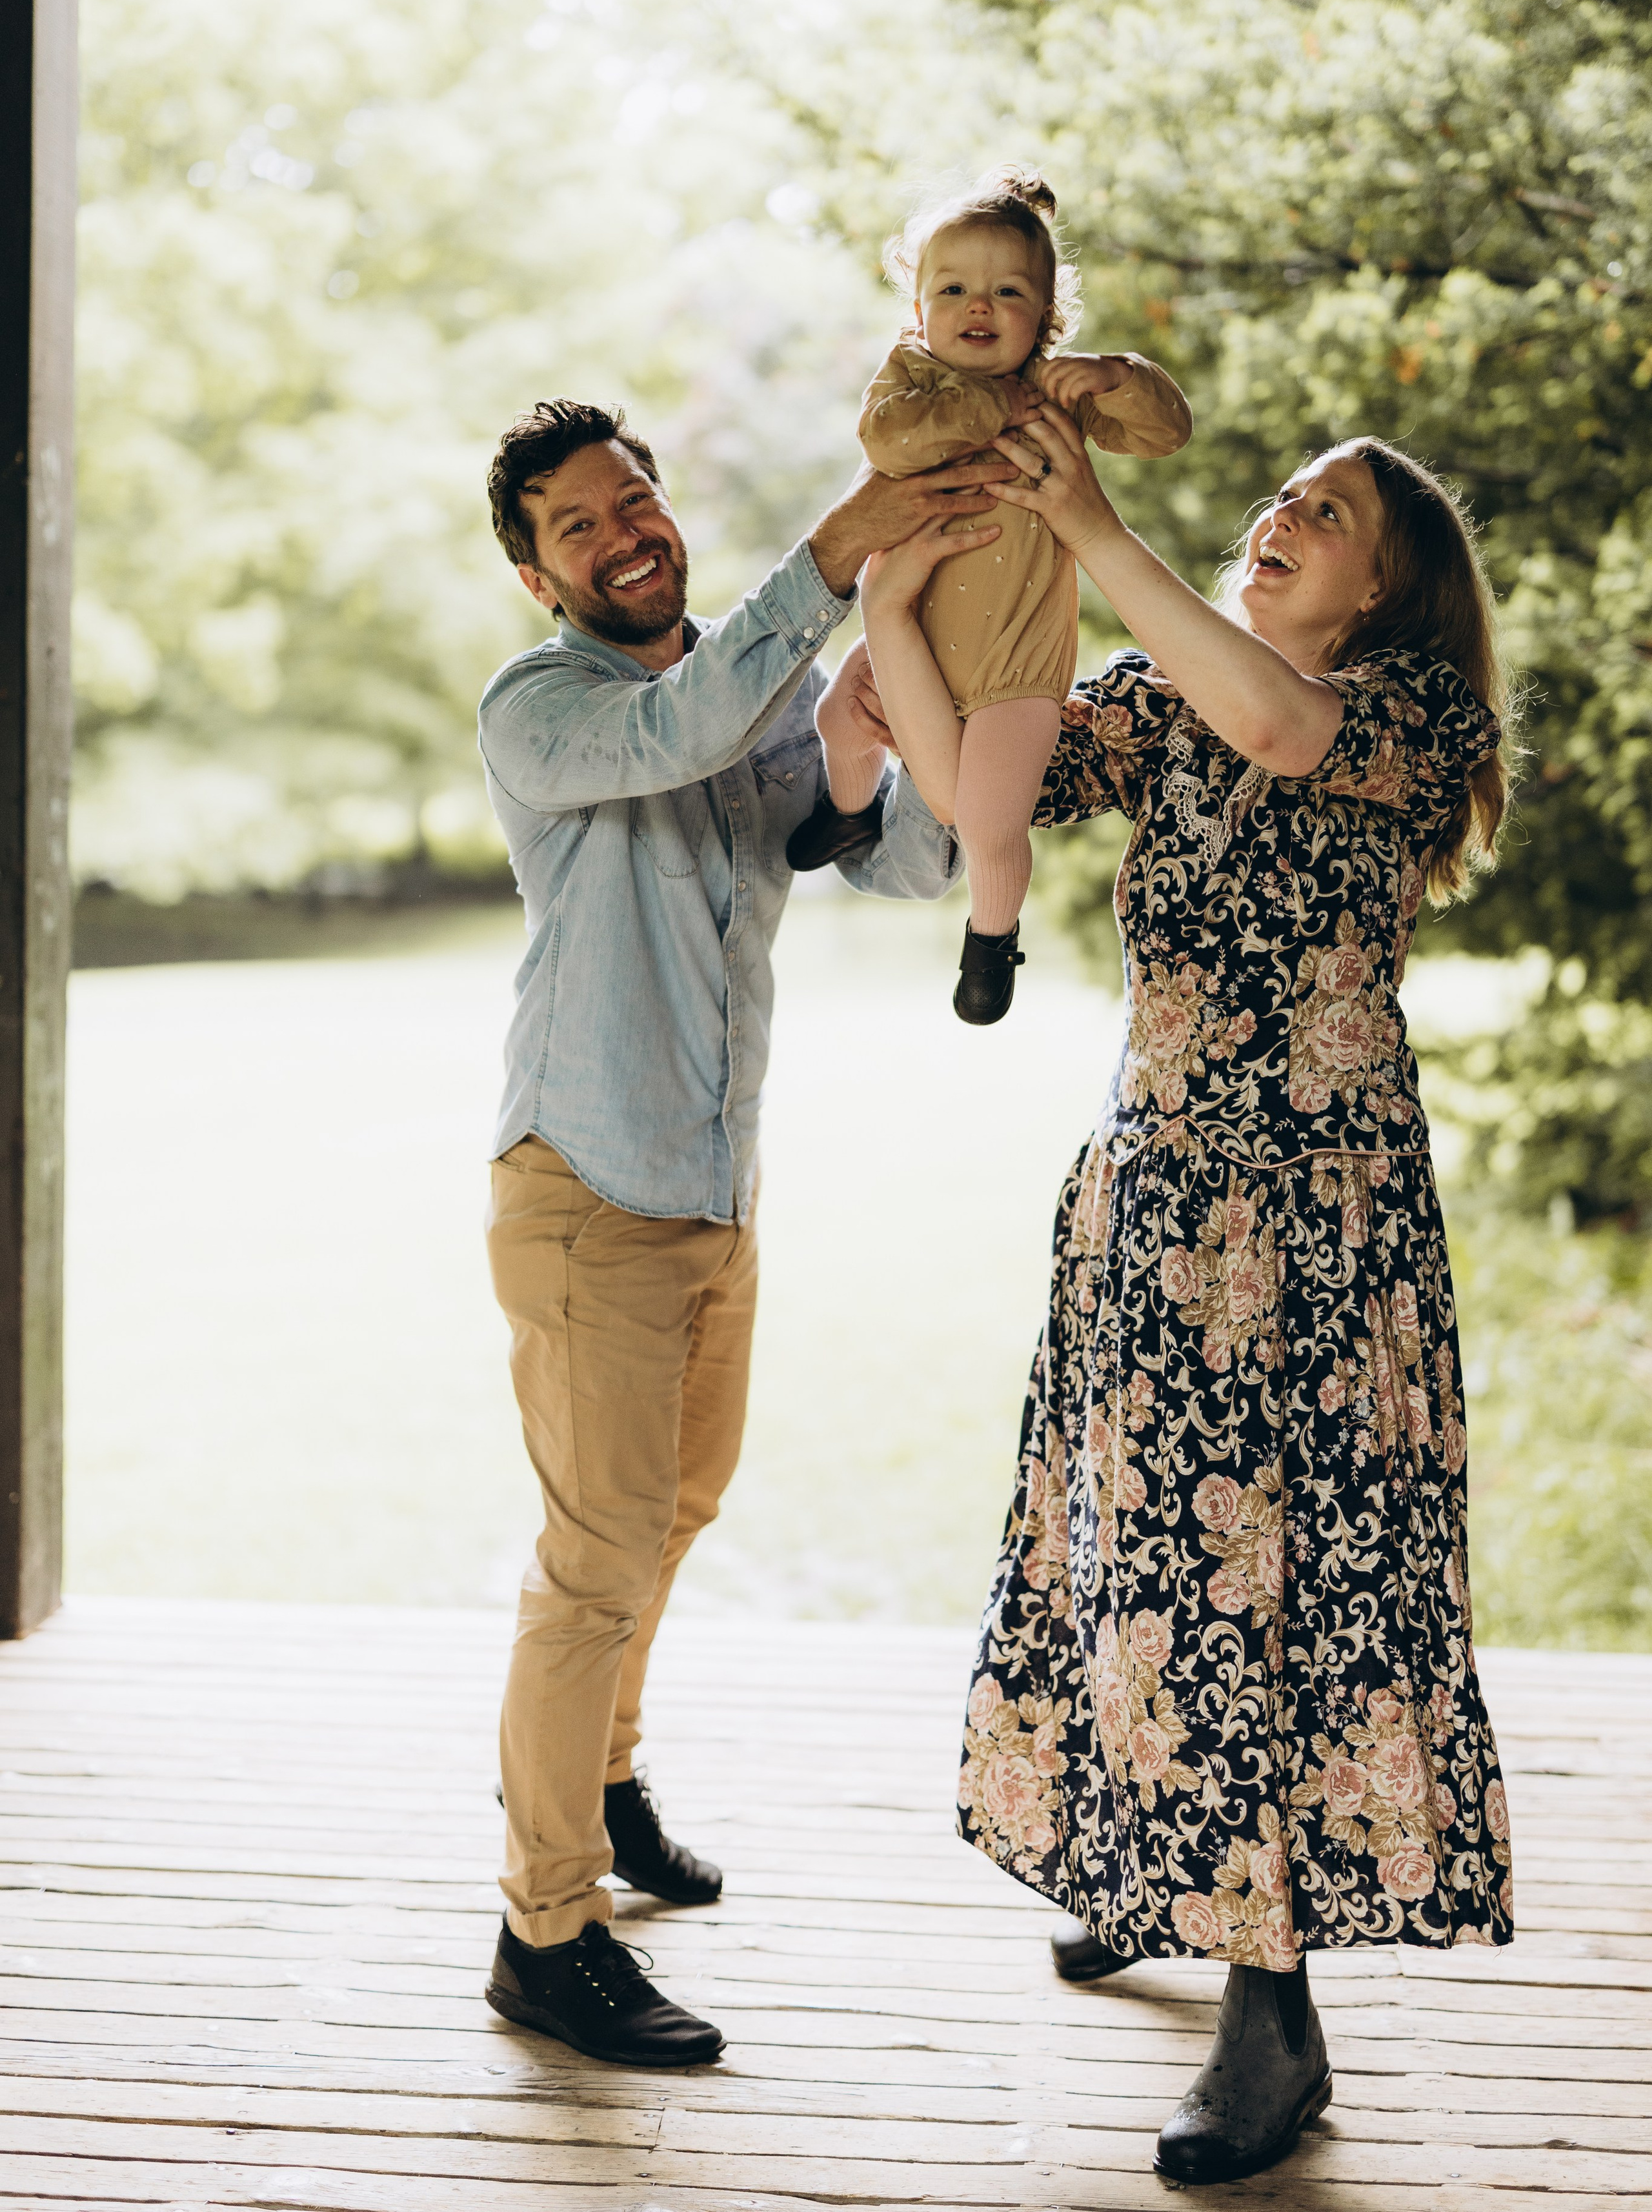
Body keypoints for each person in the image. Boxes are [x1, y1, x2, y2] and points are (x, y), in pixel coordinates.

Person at [861, 408, 1516, 2183]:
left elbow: (1282, 727)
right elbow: (976, 793)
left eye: (1330, 511)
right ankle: (1165, 1865)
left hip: (1313, 1234)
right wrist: (897, 606)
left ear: (1385, 588)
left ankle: (1272, 2021)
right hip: (1151, 1202)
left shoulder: (1407, 713)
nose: (1281, 514)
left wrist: (1092, 526)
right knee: (1145, 1568)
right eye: (1281, 494)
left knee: (1273, 1596)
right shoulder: (1165, 698)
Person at [473, 397, 1001, 2072]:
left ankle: (606, 1783)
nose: (623, 533)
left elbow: (900, 862)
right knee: (593, 1562)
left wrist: (870, 724)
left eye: (633, 498)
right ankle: (542, 1935)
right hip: (588, 1195)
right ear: (536, 575)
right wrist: (839, 553)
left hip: (714, 1192)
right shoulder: (543, 707)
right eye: (577, 524)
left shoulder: (751, 682)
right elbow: (683, 733)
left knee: (672, 1517)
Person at [793, 167, 1191, 1025]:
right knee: (839, 715)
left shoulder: (1058, 393)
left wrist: (1116, 375)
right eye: (954, 289)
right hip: (916, 634)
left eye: (1008, 291)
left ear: (1045, 318)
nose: (979, 305)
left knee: (986, 821)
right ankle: (850, 812)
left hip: (1017, 666)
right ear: (919, 311)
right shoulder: (912, 379)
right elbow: (890, 443)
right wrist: (989, 405)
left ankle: (991, 940)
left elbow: (1165, 431)